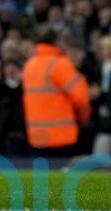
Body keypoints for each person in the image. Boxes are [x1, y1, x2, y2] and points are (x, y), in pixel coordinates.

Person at [22, 27, 91, 156]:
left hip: (37, 136)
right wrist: (84, 119)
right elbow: (81, 98)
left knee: (43, 175)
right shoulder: (60, 64)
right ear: (56, 42)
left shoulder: (29, 65)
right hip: (62, 135)